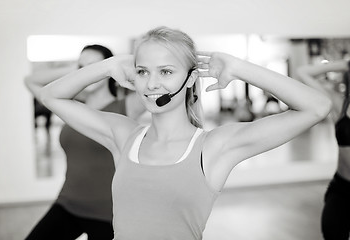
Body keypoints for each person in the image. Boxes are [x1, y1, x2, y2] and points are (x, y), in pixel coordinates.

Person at [38, 26, 331, 240]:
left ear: (190, 79)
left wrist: (238, 67)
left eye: (166, 72)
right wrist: (108, 65)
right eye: (142, 72)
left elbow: (317, 107)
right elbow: (51, 97)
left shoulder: (214, 147)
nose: (152, 84)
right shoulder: (124, 134)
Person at [24, 44, 144, 240]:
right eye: (82, 65)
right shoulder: (69, 106)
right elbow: (30, 81)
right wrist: (81, 70)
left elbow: (156, 87)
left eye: (93, 64)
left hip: (109, 212)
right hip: (68, 203)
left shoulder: (127, 105)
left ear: (108, 68)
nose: (86, 69)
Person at [297, 59, 350, 240]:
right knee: (331, 232)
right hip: (341, 187)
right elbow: (303, 72)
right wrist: (344, 64)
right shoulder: (340, 104)